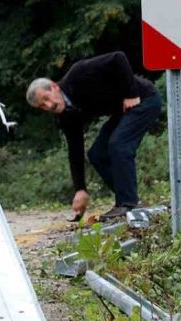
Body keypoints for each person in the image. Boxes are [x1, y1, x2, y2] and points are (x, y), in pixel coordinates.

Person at [26, 52, 162, 220]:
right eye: (43, 106)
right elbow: (75, 149)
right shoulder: (65, 115)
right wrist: (80, 189)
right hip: (123, 110)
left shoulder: (79, 74)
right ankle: (130, 200)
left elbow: (118, 58)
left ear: (54, 87)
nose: (49, 105)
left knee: (118, 144)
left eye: (46, 98)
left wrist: (131, 93)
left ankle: (127, 203)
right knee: (97, 154)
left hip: (143, 99)